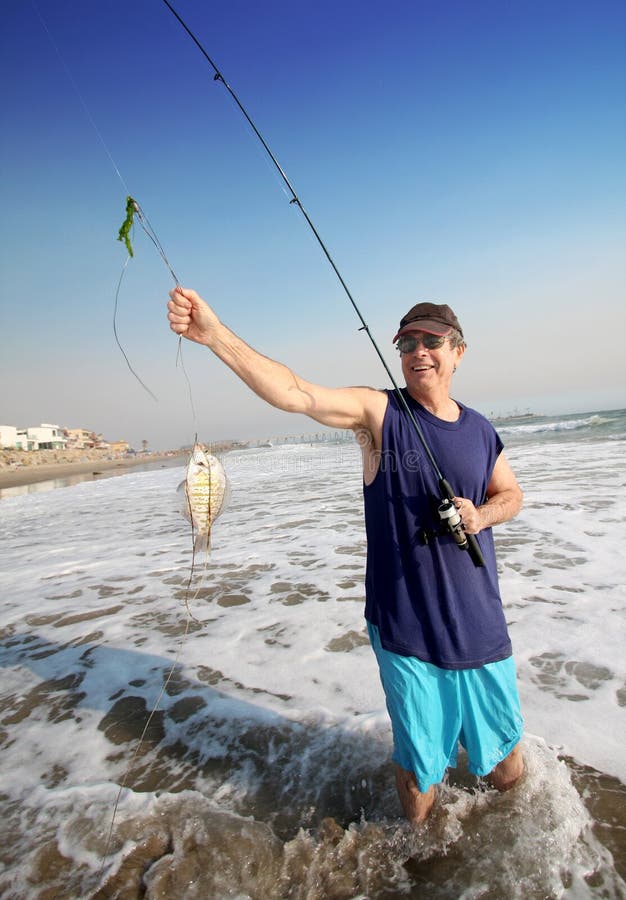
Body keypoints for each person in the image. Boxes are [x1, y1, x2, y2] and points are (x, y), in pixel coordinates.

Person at [167, 287, 525, 823]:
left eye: (432, 340)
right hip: (408, 627)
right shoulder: (378, 412)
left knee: (507, 763)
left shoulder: (480, 429)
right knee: (419, 772)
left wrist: (479, 516)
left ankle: (514, 842)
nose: (418, 351)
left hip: (481, 622)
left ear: (458, 351)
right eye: (407, 342)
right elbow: (297, 394)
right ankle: (419, 860)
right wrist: (214, 336)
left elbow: (512, 496)